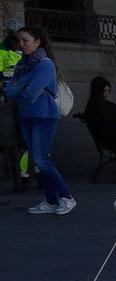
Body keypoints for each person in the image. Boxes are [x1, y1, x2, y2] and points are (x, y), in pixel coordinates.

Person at [4, 25, 73, 214]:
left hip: (44, 115)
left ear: (37, 42)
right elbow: (11, 90)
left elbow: (28, 92)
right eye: (19, 41)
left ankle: (66, 197)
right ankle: (51, 201)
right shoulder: (21, 64)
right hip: (26, 115)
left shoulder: (45, 64)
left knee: (41, 159)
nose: (21, 44)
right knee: (38, 159)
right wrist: (23, 89)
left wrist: (22, 89)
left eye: (25, 40)